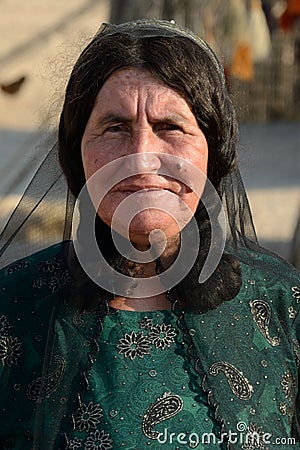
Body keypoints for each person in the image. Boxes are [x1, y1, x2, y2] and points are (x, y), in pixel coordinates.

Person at [0, 19, 299, 450]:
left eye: (170, 128)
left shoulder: (284, 305)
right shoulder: (13, 311)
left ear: (214, 152)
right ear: (76, 152)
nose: (141, 158)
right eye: (115, 127)